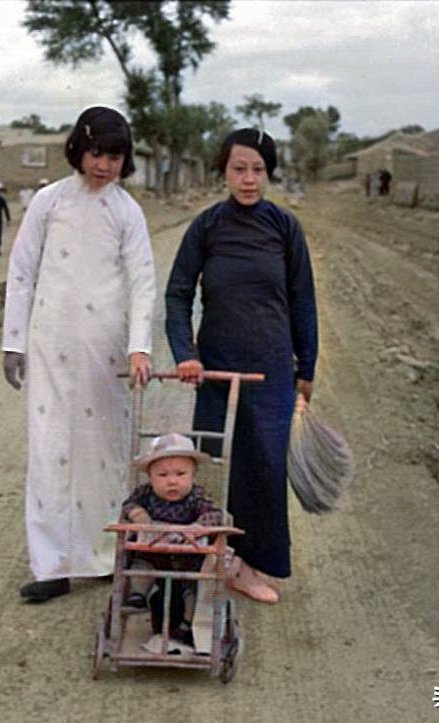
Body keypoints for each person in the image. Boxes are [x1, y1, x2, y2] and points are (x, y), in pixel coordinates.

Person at [2, 106, 156, 603]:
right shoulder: (49, 202)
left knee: (104, 451)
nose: (104, 165)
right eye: (96, 153)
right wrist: (13, 341)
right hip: (50, 344)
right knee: (48, 449)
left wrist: (138, 346)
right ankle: (52, 564)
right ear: (77, 150)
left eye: (114, 156)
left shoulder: (125, 211)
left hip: (102, 349)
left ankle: (107, 557)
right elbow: (22, 272)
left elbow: (143, 282)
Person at [165, 128, 318, 604]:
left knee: (265, 468)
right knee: (211, 465)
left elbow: (302, 301)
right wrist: (185, 353)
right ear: (224, 172)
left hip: (271, 368)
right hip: (216, 368)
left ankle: (251, 565)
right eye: (238, 169)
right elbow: (177, 294)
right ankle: (214, 556)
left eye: (257, 169)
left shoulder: (284, 227)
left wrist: (305, 369)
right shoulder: (206, 227)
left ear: (269, 173)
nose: (248, 179)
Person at [121, 433, 224, 646]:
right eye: (162, 475)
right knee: (140, 565)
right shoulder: (145, 494)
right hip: (153, 550)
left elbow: (216, 514)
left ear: (193, 475)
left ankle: (187, 624)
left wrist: (197, 527)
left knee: (193, 586)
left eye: (180, 474)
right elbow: (128, 505)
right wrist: (139, 515)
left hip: (187, 554)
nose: (172, 481)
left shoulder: (196, 496)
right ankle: (138, 595)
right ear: (150, 477)